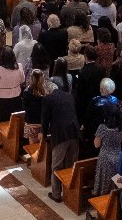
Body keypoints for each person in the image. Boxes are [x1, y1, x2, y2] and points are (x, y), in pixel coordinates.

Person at [43, 75, 80, 203]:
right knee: (71, 164)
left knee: (56, 165)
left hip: (60, 135)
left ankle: (56, 194)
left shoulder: (49, 98)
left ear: (48, 90)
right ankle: (70, 193)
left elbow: (45, 119)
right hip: (74, 133)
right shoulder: (69, 96)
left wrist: (43, 135)